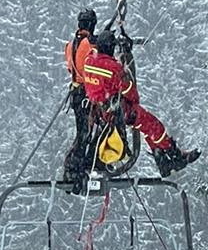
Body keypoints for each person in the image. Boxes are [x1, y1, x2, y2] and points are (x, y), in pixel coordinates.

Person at [83, 29, 200, 177]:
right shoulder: (113, 67)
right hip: (118, 110)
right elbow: (128, 89)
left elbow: (98, 61)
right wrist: (133, 101)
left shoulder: (89, 61)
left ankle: (161, 157)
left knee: (146, 127)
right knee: (153, 125)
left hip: (99, 110)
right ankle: (174, 155)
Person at [63, 8, 99, 185]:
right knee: (86, 132)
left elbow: (70, 67)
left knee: (83, 131)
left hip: (76, 92)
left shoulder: (70, 45)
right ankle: (76, 165)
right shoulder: (91, 43)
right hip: (87, 92)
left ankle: (77, 166)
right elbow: (98, 58)